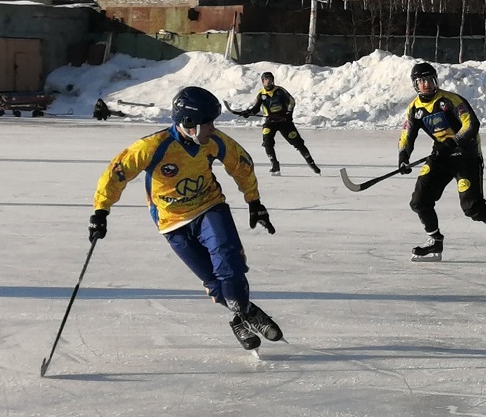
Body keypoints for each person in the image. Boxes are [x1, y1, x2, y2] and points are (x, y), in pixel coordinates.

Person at [90, 86, 284, 352]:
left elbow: (241, 163)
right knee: (214, 285)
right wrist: (101, 211)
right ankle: (244, 316)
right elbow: (116, 173)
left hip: (209, 207)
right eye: (208, 123)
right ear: (188, 123)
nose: (213, 129)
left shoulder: (213, 142)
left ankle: (245, 314)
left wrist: (254, 201)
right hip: (172, 224)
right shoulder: (153, 147)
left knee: (229, 264)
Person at [397, 61, 486, 262]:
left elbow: (471, 125)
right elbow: (407, 134)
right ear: (415, 85)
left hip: (467, 156)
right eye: (420, 81)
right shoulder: (414, 108)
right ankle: (434, 240)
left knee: (472, 208)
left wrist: (453, 142)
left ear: (435, 80)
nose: (425, 85)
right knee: (419, 201)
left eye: (429, 80)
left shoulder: (450, 100)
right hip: (441, 157)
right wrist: (403, 156)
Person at [234, 71, 320, 176]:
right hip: (270, 122)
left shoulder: (280, 91)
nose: (268, 82)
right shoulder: (261, 94)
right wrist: (248, 112)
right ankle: (275, 165)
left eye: (270, 79)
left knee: (298, 143)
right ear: (262, 81)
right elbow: (255, 108)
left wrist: (289, 114)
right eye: (266, 80)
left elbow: (291, 101)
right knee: (267, 142)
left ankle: (311, 163)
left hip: (284, 121)